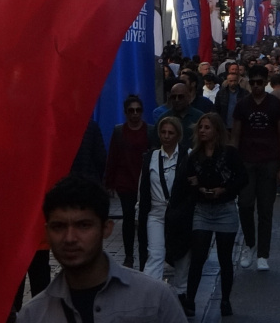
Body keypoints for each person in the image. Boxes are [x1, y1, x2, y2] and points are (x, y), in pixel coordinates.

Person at [17, 176, 185, 323]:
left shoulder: (154, 299)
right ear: (47, 232)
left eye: (83, 226)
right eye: (58, 227)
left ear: (106, 228)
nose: (69, 238)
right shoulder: (34, 315)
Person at [183, 113, 247, 319]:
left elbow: (242, 178)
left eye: (207, 127)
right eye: (200, 127)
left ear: (216, 131)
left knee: (225, 258)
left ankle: (225, 300)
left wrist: (224, 189)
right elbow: (187, 182)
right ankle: (190, 300)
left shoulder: (229, 154)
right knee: (198, 256)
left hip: (225, 209)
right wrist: (197, 188)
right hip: (202, 209)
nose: (202, 130)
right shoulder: (193, 156)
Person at [230, 65, 280, 272]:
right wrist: (233, 163)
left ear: (265, 82)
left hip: (269, 162)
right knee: (245, 205)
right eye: (252, 82)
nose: (255, 86)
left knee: (266, 209)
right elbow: (235, 136)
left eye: (259, 82)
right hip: (246, 162)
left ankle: (263, 254)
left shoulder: (275, 105)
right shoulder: (242, 105)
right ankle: (250, 244)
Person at [137, 117, 192, 308]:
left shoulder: (187, 155)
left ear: (178, 135)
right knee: (155, 252)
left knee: (183, 254)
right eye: (163, 132)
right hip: (156, 212)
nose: (166, 136)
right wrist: (139, 212)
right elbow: (142, 187)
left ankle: (180, 292)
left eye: (171, 133)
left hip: (180, 213)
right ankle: (149, 295)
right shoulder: (150, 158)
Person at [104, 94, 151, 268]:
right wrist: (109, 182)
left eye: (138, 110)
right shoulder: (119, 131)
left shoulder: (149, 130)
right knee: (129, 219)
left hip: (144, 183)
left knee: (145, 221)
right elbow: (113, 157)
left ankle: (144, 255)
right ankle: (130, 255)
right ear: (125, 112)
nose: (135, 113)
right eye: (131, 110)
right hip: (126, 182)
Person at [152, 84, 204, 152]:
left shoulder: (199, 117)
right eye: (174, 97)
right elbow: (155, 143)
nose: (177, 100)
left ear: (189, 97)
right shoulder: (163, 118)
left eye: (180, 97)